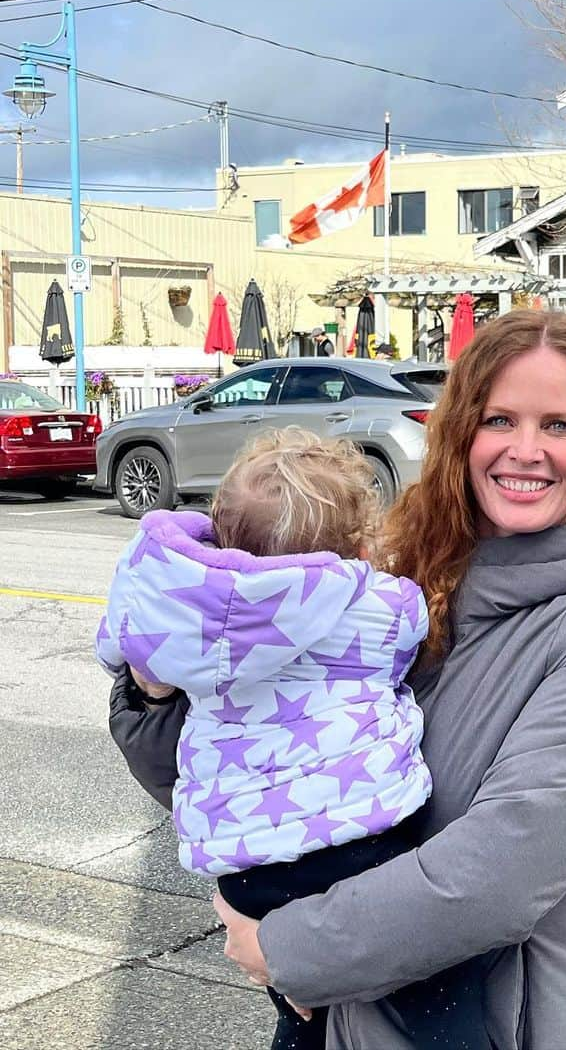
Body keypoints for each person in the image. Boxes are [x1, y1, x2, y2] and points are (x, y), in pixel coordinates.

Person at [110, 310, 566, 1049]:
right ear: (461, 435)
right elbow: (258, 775)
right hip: (345, 1013)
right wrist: (156, 689)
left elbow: (494, 879)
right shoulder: (395, 585)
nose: (525, 450)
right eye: (500, 419)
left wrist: (283, 950)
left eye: (559, 426)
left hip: (515, 1023)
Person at [98, 428, 486, 1050]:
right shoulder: (378, 602)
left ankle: (295, 988)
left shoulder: (185, 616)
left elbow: (125, 649)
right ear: (358, 542)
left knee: (300, 999)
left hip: (243, 865)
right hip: (357, 837)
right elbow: (406, 646)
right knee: (441, 981)